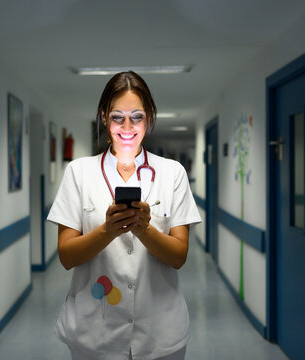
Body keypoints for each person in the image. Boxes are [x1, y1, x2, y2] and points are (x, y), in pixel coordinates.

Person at [47, 71, 201, 360]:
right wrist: (108, 231)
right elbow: (67, 257)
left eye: (137, 117)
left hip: (161, 333)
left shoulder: (172, 174)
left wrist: (145, 230)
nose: (127, 126)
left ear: (150, 118)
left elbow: (179, 256)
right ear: (104, 117)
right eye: (118, 117)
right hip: (94, 333)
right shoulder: (79, 173)